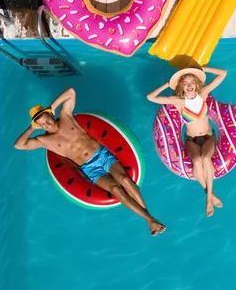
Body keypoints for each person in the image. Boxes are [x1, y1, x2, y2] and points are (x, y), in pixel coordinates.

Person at [14, 88, 166, 236]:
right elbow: (19, 145)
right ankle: (149, 219)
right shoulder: (44, 140)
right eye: (42, 124)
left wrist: (52, 107)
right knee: (116, 189)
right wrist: (32, 128)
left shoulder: (65, 116)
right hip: (89, 168)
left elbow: (71, 91)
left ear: (50, 114)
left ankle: (149, 219)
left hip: (101, 155)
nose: (47, 125)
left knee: (125, 179)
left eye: (46, 119)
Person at [146, 65, 227, 217]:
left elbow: (223, 74)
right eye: (185, 83)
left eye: (192, 82)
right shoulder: (178, 102)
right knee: (197, 160)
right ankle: (210, 195)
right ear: (181, 86)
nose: (189, 86)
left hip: (209, 136)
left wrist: (202, 69)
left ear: (197, 84)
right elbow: (150, 97)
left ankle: (209, 198)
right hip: (191, 139)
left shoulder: (203, 94)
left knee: (205, 157)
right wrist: (167, 85)